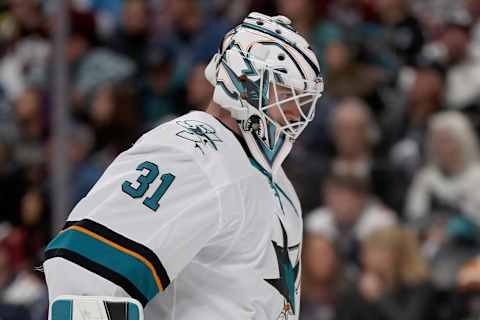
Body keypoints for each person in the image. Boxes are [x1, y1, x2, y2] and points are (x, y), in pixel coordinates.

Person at [43, 12, 324, 320]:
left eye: (301, 101)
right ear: (244, 82)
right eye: (285, 95)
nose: (296, 115)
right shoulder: (192, 151)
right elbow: (84, 272)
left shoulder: (280, 186)